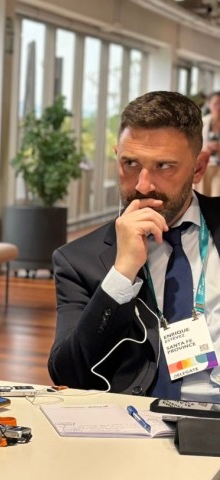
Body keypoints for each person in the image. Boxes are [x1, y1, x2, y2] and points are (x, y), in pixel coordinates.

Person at [50, 91, 220, 400]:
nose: (142, 184)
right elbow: (67, 372)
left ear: (198, 168)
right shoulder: (78, 261)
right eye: (130, 163)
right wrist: (121, 272)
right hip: (139, 422)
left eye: (164, 166)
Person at [199, 91, 220, 197]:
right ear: (209, 104)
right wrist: (206, 147)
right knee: (204, 195)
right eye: (216, 103)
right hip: (206, 165)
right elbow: (194, 144)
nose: (218, 107)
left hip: (218, 167)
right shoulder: (202, 123)